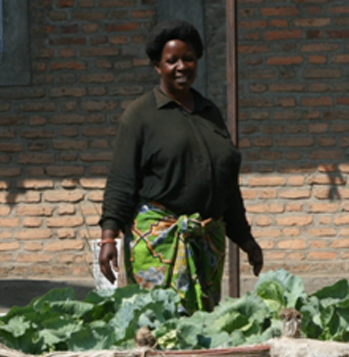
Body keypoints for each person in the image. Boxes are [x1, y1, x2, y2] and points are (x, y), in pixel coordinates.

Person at [97, 19, 263, 313]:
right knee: (159, 323)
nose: (181, 67)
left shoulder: (209, 112)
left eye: (188, 59)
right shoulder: (140, 116)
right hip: (160, 244)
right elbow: (121, 180)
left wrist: (245, 239)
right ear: (157, 66)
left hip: (205, 243)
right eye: (171, 60)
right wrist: (109, 237)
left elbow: (226, 184)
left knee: (202, 325)